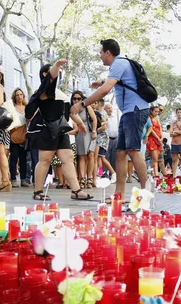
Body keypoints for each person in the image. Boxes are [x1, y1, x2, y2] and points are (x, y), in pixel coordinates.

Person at [70, 39, 149, 199]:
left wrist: (82, 105)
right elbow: (117, 82)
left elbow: (105, 91)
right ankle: (118, 195)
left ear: (108, 52)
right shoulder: (120, 64)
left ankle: (146, 192)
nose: (100, 56)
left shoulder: (119, 64)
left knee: (133, 150)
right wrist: (101, 82)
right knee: (120, 153)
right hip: (129, 112)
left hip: (135, 110)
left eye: (101, 52)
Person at [26, 61, 92, 201]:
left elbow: (69, 112)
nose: (57, 73)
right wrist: (57, 65)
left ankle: (76, 190)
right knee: (45, 160)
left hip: (61, 130)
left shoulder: (59, 93)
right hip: (47, 130)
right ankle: (38, 191)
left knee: (67, 158)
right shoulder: (43, 91)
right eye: (54, 71)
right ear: (45, 74)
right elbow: (51, 77)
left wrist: (80, 124)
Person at [71, 91, 97, 189]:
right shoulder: (72, 109)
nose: (76, 100)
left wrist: (94, 131)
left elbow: (94, 119)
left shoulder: (87, 107)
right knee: (81, 156)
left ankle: (89, 177)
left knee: (91, 155)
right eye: (74, 98)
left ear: (82, 99)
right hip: (79, 133)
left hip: (89, 132)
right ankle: (82, 178)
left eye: (79, 98)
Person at [7, 88, 31, 188]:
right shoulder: (12, 107)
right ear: (14, 96)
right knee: (13, 158)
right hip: (14, 134)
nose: (19, 97)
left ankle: (23, 179)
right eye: (17, 95)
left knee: (23, 159)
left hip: (24, 134)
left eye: (21, 94)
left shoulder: (27, 107)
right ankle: (13, 179)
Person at [147, 105, 165, 177]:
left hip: (159, 140)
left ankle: (154, 173)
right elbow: (151, 130)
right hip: (152, 139)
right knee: (154, 157)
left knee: (156, 158)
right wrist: (157, 138)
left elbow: (160, 128)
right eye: (155, 111)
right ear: (151, 111)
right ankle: (154, 173)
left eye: (158, 111)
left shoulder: (157, 119)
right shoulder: (149, 118)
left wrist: (161, 138)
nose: (157, 113)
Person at [104, 103, 119, 180]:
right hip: (107, 139)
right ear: (105, 109)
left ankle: (113, 175)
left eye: (111, 108)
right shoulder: (104, 118)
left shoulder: (115, 117)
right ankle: (105, 173)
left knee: (114, 158)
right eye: (108, 108)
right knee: (106, 157)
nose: (110, 109)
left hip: (115, 139)